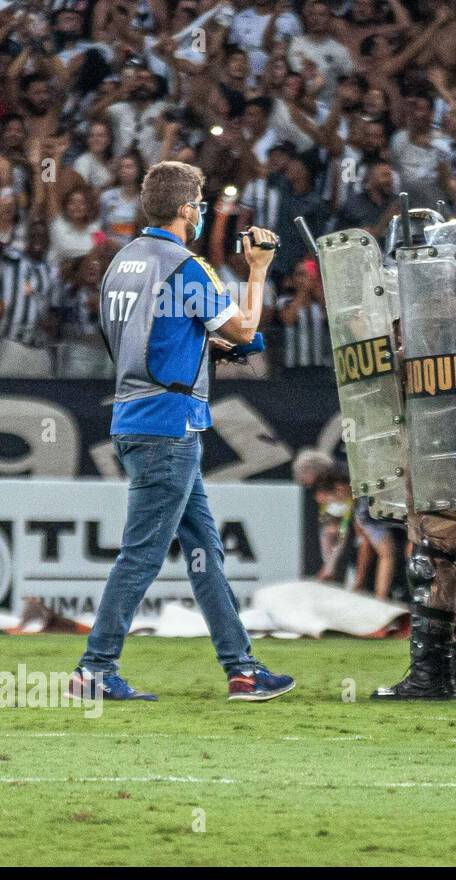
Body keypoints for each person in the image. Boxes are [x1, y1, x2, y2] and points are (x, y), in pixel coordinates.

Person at [67, 160, 294, 703]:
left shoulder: (122, 262)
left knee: (202, 549)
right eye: (201, 205)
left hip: (134, 413)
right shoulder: (186, 266)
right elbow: (243, 326)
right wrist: (257, 269)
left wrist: (203, 347)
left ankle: (241, 669)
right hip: (168, 425)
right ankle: (94, 669)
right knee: (142, 554)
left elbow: (143, 336)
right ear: (189, 210)